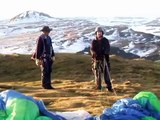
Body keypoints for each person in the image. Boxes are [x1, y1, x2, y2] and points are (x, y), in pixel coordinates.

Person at [90, 26, 113, 92]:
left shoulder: (105, 40)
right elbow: (91, 49)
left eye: (100, 32)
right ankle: (98, 87)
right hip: (96, 59)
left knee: (107, 74)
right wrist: (93, 53)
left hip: (105, 59)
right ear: (96, 33)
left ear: (102, 33)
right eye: (98, 32)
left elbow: (108, 48)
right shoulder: (93, 41)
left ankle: (109, 87)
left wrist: (106, 52)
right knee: (97, 74)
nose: (99, 33)